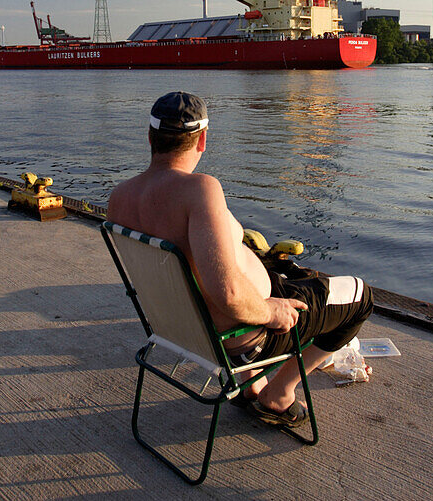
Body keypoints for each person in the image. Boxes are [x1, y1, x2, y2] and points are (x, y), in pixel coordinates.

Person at [108, 91, 375, 428]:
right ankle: (280, 394)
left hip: (178, 332)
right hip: (244, 340)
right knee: (361, 296)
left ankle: (253, 386)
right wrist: (272, 312)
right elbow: (230, 295)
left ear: (150, 137)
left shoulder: (119, 199)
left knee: (279, 271)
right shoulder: (199, 190)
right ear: (202, 139)